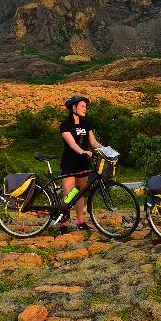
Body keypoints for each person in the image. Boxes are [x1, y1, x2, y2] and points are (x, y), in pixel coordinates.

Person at [59, 94, 102, 232]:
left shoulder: (86, 123)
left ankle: (80, 222)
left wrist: (105, 150)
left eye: (86, 106)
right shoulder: (65, 125)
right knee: (69, 193)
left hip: (83, 162)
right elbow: (71, 143)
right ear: (74, 107)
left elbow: (93, 142)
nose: (85, 109)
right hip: (69, 162)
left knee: (80, 193)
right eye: (82, 106)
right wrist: (83, 151)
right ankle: (63, 223)